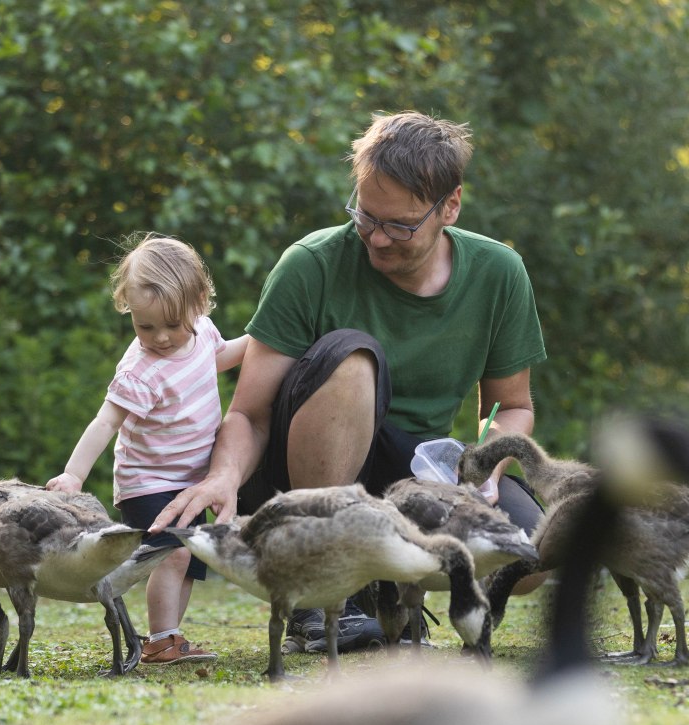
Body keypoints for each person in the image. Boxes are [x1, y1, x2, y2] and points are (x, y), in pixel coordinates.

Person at [156, 110, 548, 653]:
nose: (379, 240)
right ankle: (320, 591)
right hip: (301, 481)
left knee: (530, 553)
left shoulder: (499, 274)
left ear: (450, 207)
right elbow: (249, 412)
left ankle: (387, 590)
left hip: (416, 474)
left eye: (400, 226)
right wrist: (222, 477)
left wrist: (483, 466)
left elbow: (511, 406)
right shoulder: (311, 264)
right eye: (366, 217)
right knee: (353, 358)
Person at [47, 234, 249, 665]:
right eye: (145, 326)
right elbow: (106, 422)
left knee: (189, 560)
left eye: (172, 325)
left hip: (193, 479)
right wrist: (73, 475)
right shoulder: (140, 371)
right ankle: (161, 639)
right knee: (171, 557)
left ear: (199, 302)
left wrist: (267, 339)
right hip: (149, 480)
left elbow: (224, 356)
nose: (159, 338)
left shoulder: (202, 334)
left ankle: (170, 636)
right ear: (129, 311)